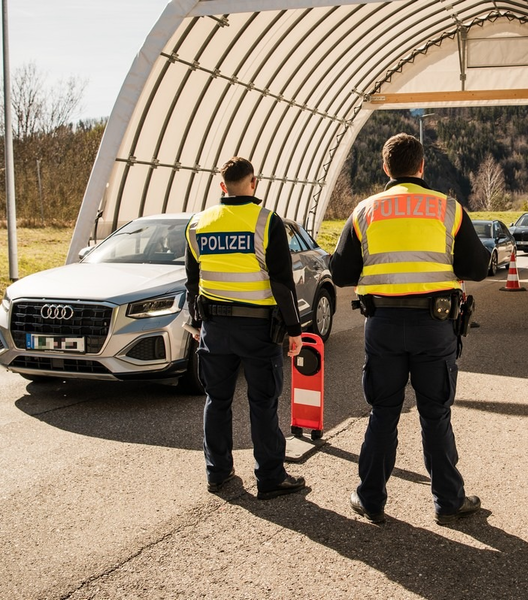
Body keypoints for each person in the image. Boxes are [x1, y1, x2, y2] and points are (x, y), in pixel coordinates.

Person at [329, 133, 490, 525]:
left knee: (383, 412)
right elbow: (479, 268)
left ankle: (370, 499)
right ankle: (448, 502)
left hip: (382, 325)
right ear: (421, 167)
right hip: (434, 327)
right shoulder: (447, 209)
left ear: (386, 168)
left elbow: (339, 272)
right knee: (435, 414)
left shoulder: (364, 210)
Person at [185, 156, 306, 500]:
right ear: (254, 184)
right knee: (263, 402)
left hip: (214, 328)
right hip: (258, 330)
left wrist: (196, 323)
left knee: (217, 401)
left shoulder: (198, 223)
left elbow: (192, 284)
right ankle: (270, 477)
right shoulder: (267, 222)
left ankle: (217, 474)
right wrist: (295, 331)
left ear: (222, 187)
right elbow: (282, 283)